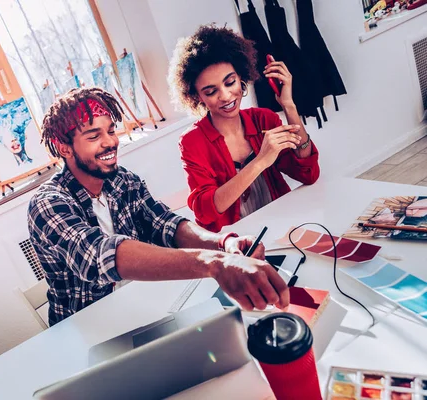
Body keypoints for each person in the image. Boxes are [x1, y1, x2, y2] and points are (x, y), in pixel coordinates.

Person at [27, 87, 289, 326]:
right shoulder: (48, 204)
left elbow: (166, 225)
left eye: (110, 130)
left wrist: (223, 244)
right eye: (94, 135)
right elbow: (101, 256)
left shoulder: (123, 180)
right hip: (88, 327)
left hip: (146, 306)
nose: (110, 142)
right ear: (65, 148)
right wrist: (217, 264)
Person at [168, 25, 320, 233]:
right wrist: (260, 162)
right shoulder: (192, 142)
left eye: (230, 82)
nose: (226, 96)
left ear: (240, 77)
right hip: (238, 243)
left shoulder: (263, 120)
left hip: (283, 227)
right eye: (211, 91)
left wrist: (289, 105)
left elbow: (308, 173)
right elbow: (206, 212)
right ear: (197, 97)